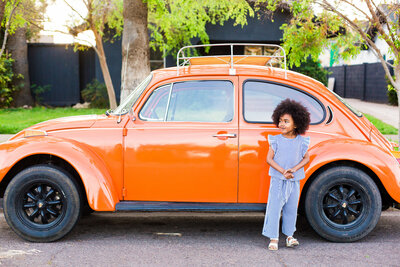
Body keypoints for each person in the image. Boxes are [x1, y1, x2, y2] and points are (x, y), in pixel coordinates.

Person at [262, 98, 311, 251]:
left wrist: (294, 169)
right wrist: (283, 171)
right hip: (278, 180)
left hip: (294, 180)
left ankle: (290, 236)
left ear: (296, 124)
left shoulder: (301, 142)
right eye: (280, 120)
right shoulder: (275, 140)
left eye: (286, 121)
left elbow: (306, 158)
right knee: (274, 208)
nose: (281, 124)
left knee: (291, 208)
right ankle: (274, 237)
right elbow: (269, 159)